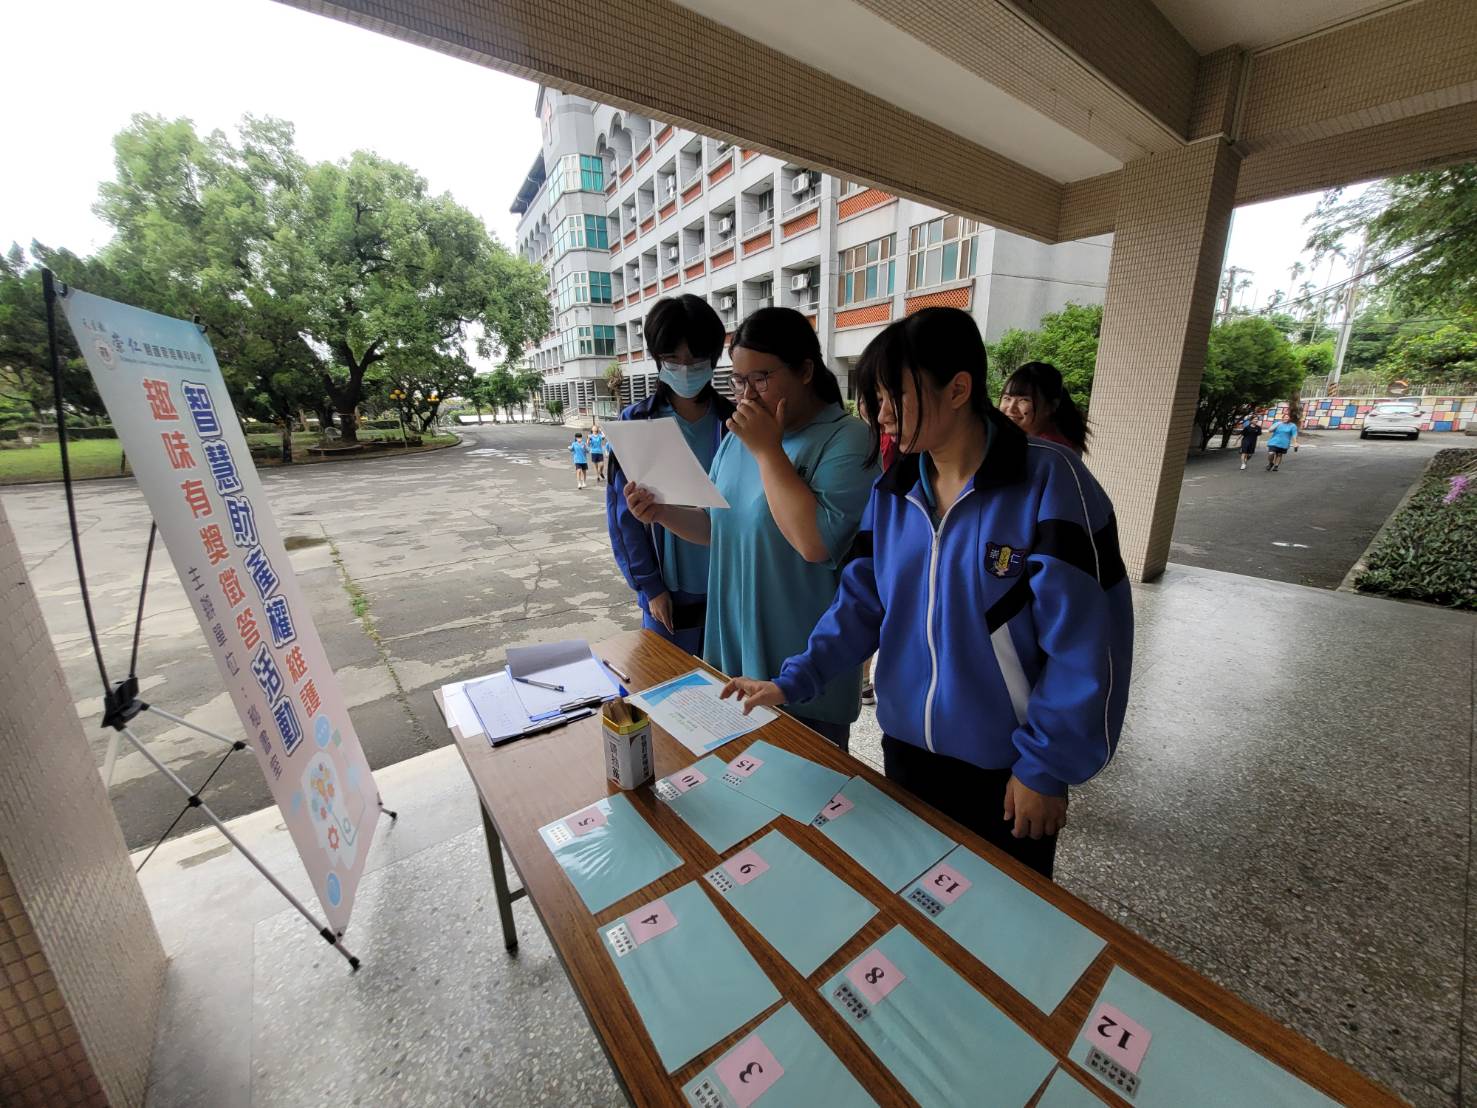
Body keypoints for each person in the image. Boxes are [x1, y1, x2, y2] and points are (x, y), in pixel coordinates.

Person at [720, 307, 1133, 878]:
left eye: (895, 396)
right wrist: (793, 680)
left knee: (1001, 914)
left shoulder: (1047, 481)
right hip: (908, 752)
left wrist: (1045, 765)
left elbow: (1087, 642)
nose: (882, 414)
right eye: (876, 397)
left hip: (1010, 768)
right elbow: (859, 606)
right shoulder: (894, 490)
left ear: (959, 389)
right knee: (918, 899)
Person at [625, 307, 877, 749]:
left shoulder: (846, 440)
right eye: (738, 381)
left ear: (804, 371)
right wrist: (661, 513)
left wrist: (768, 452)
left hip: (800, 676)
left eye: (760, 379)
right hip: (730, 661)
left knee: (803, 787)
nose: (746, 394)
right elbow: (716, 527)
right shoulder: (740, 438)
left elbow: (815, 543)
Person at [606, 295, 734, 653]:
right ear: (657, 359)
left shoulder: (735, 423)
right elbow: (623, 518)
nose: (685, 369)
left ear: (713, 358)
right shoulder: (635, 424)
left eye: (695, 359)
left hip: (728, 585)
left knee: (726, 682)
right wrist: (650, 587)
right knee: (666, 681)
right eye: (673, 359)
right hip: (667, 594)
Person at [999, 361, 1090, 455]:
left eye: (1024, 400)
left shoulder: (1050, 451)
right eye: (1007, 398)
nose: (1011, 408)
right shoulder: (1025, 439)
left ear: (1051, 406)